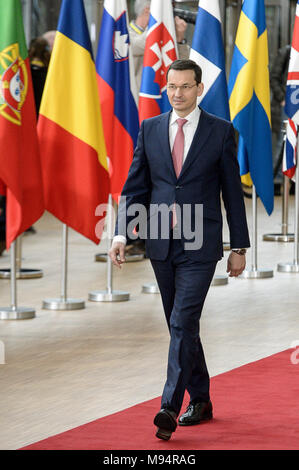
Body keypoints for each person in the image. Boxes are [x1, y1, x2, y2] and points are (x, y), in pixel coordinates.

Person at [109, 59, 250, 441]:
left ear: (199, 88)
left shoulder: (220, 132)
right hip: (160, 242)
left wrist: (239, 245)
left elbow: (232, 194)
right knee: (182, 325)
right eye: (172, 86)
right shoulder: (150, 128)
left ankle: (169, 405)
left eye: (186, 86)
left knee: (181, 322)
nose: (177, 93)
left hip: (201, 244)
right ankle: (201, 399)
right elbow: (135, 186)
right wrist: (120, 234)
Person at [127, 0, 189, 257]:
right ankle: (131, 234)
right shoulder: (126, 33)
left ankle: (156, 233)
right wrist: (165, 29)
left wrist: (180, 40)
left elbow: (182, 68)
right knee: (134, 179)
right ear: (146, 13)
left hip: (161, 114)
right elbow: (141, 45)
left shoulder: (165, 36)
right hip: (131, 114)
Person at [270, 44, 291, 191]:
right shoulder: (286, 51)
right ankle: (276, 181)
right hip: (286, 106)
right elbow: (274, 77)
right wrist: (283, 98)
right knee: (281, 144)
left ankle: (290, 181)